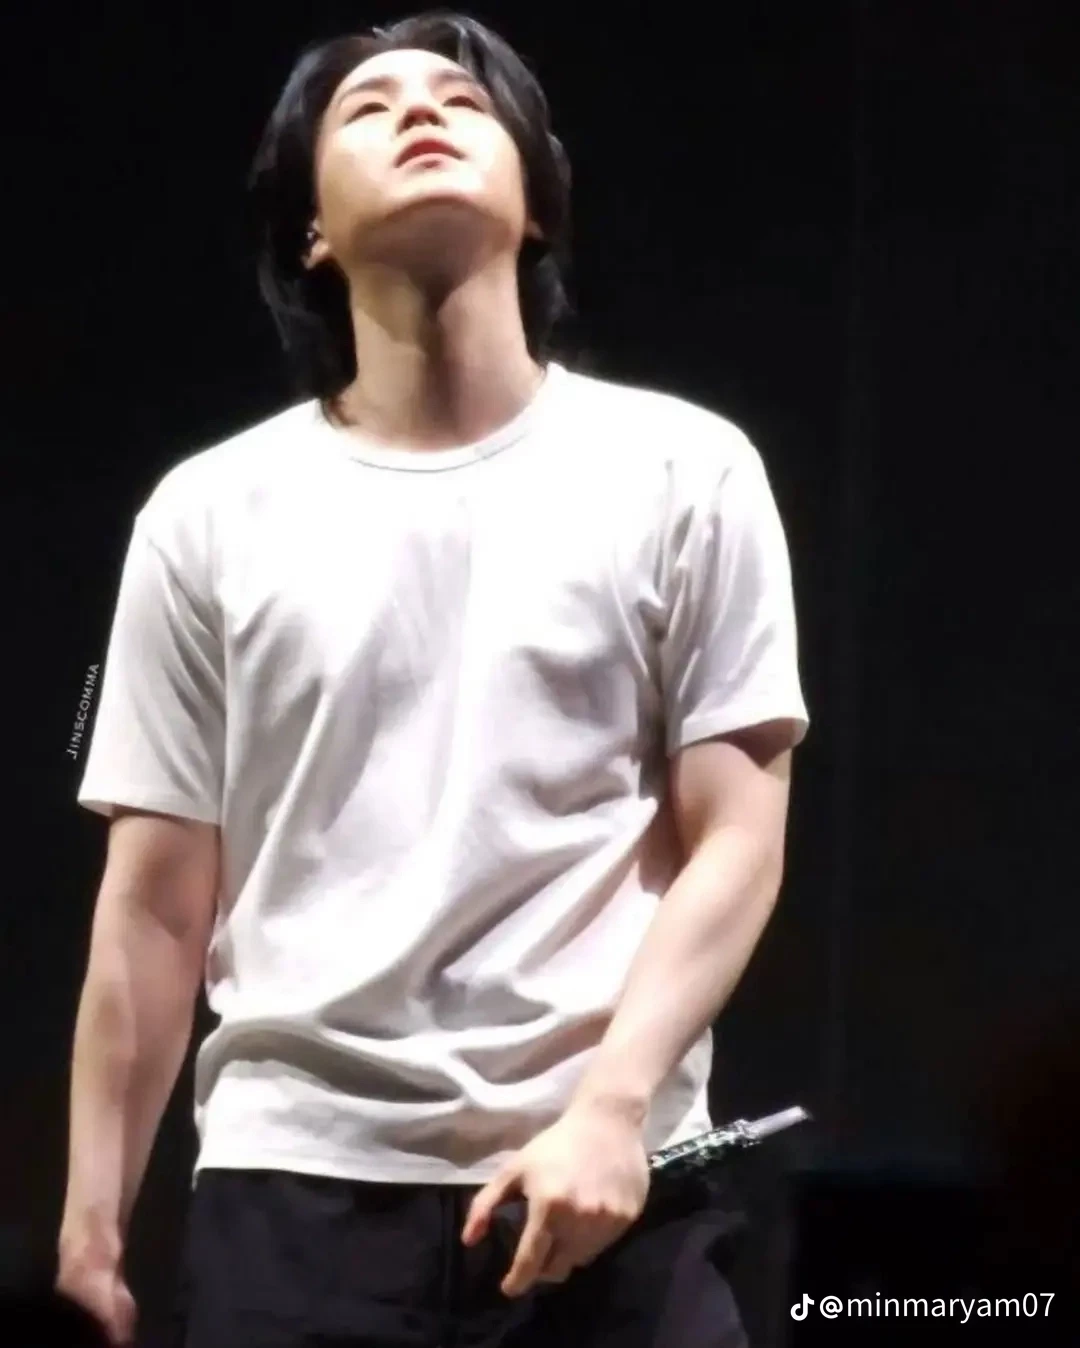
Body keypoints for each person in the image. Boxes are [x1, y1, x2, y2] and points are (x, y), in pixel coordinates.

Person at [56, 11, 810, 1348]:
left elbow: (738, 840)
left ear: (537, 209)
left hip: (607, 1194)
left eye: (463, 101)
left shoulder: (688, 472)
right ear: (311, 232)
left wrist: (612, 1109)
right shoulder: (205, 515)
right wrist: (92, 1230)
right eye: (368, 106)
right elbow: (157, 908)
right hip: (295, 1200)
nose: (419, 110)